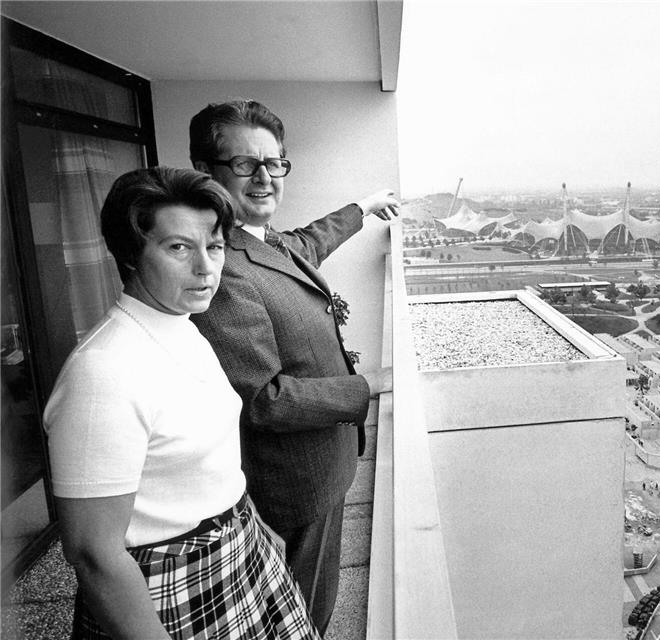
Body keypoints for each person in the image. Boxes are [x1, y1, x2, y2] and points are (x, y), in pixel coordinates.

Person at [44, 167, 319, 639]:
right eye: (178, 248)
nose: (206, 268)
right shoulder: (104, 371)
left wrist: (250, 523)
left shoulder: (181, 324)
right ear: (130, 254)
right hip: (169, 585)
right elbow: (93, 554)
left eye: (213, 247)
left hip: (238, 549)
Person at [188, 99, 397, 634]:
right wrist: (368, 386)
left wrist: (365, 205)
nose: (264, 177)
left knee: (311, 602)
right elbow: (262, 399)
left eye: (275, 162)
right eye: (244, 164)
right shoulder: (223, 269)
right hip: (294, 484)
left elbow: (311, 240)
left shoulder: (264, 241)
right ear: (206, 174)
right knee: (300, 614)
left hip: (320, 467)